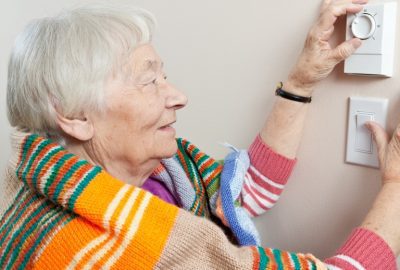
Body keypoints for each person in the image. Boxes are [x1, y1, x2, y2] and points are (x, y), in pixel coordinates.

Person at [1, 0, 399, 269]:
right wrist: (396, 187)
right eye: (148, 81)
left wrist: (301, 81)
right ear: (73, 115)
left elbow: (245, 193)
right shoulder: (96, 252)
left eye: (165, 76)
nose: (178, 96)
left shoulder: (160, 175)